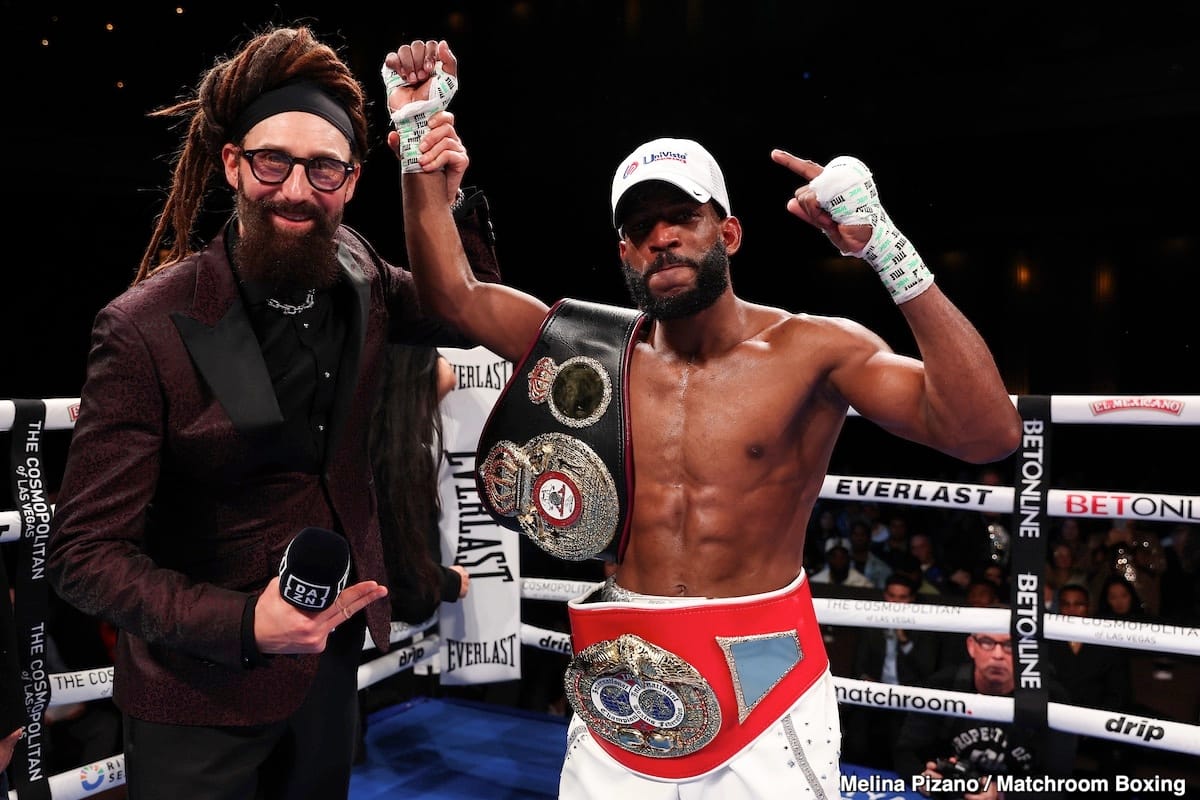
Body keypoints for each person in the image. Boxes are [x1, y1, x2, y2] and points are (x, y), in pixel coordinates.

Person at [392, 39, 1020, 799]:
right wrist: (418, 145)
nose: (661, 238)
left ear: (728, 233)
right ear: (624, 253)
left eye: (681, 217)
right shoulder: (593, 350)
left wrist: (886, 248)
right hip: (624, 675)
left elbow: (986, 433)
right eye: (640, 227)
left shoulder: (814, 350)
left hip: (766, 675)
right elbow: (452, 296)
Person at [44, 27, 499, 799]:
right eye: (271, 162)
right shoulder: (145, 326)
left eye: (323, 168)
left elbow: (464, 314)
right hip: (198, 697)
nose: (295, 189)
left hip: (327, 675)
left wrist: (438, 189)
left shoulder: (360, 271)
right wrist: (242, 624)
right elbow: (82, 555)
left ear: (351, 181)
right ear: (232, 163)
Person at [892, 629, 1078, 799]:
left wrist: (1001, 793)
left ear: (1026, 651)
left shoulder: (1052, 698)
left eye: (1009, 645)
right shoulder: (943, 686)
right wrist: (921, 777)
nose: (997, 655)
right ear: (971, 646)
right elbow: (905, 752)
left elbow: (1058, 782)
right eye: (987, 642)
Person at [842, 573, 942, 770]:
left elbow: (927, 670)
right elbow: (859, 665)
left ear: (912, 599)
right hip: (875, 693)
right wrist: (865, 679)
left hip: (908, 696)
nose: (895, 603)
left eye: (902, 598)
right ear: (885, 596)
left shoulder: (925, 626)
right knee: (856, 729)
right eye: (892, 596)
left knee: (901, 738)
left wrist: (904, 640)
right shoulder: (872, 625)